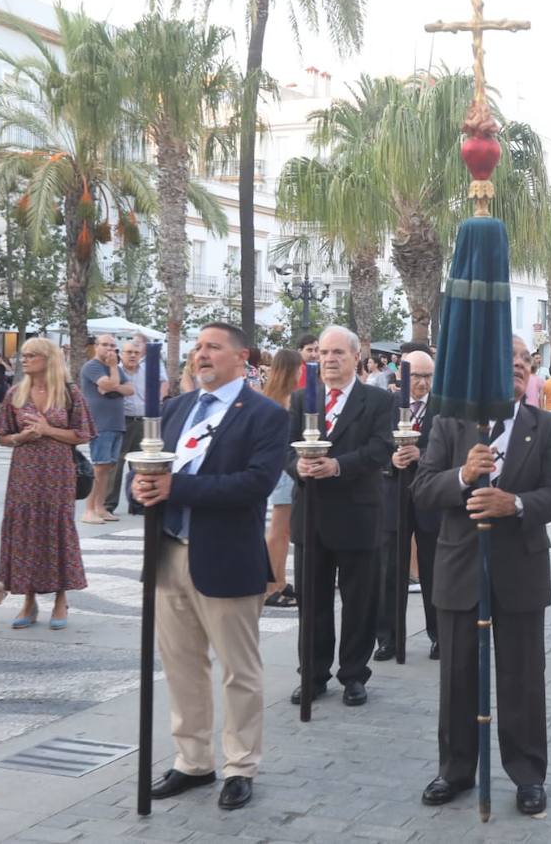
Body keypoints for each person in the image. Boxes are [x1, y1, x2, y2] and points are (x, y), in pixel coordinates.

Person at [412, 335, 551, 816]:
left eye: (524, 362)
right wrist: (462, 477)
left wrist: (516, 503)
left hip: (520, 569)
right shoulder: (449, 423)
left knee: (523, 677)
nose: (519, 368)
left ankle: (527, 774)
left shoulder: (544, 427)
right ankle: (455, 770)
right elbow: (423, 488)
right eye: (508, 361)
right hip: (460, 566)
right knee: (458, 673)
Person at [130, 322, 287, 811]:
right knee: (181, 666)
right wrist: (142, 492)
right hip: (169, 551)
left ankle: (241, 765)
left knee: (239, 671)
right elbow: (153, 477)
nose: (201, 355)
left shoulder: (264, 415)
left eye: (213, 347)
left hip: (226, 557)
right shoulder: (174, 410)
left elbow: (255, 484)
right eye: (198, 347)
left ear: (242, 358)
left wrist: (178, 489)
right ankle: (192, 760)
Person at [285, 326, 394, 707]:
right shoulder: (302, 399)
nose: (329, 360)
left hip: (358, 514)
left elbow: (381, 448)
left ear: (354, 358)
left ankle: (353, 674)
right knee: (311, 602)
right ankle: (313, 674)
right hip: (311, 516)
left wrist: (337, 466)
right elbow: (285, 448)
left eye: (338, 354)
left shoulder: (377, 401)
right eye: (324, 353)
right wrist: (298, 467)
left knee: (358, 601)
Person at [0, 338, 95, 630]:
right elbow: (2, 435)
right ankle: (28, 599)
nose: (23, 360)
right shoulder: (16, 392)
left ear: (48, 359)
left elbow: (83, 434)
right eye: (22, 355)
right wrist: (20, 438)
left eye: (31, 355)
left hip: (57, 473)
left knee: (56, 529)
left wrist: (47, 429)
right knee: (25, 530)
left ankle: (61, 599)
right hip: (23, 475)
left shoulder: (68, 393)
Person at [379, 349, 442, 660]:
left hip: (430, 498)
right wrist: (391, 459)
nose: (422, 382)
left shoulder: (442, 409)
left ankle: (439, 635)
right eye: (416, 376)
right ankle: (388, 637)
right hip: (394, 494)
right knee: (390, 568)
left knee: (433, 569)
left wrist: (422, 454)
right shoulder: (389, 405)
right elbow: (376, 446)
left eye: (428, 376)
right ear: (402, 377)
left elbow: (450, 448)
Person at [106, 340, 169, 515]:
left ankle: (138, 503)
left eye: (135, 352)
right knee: (116, 463)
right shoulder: (115, 372)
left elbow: (164, 382)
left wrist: (159, 401)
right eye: (128, 352)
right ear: (121, 354)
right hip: (122, 420)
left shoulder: (147, 371)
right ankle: (109, 504)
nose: (133, 355)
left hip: (143, 421)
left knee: (141, 464)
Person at [261, 349, 301, 607]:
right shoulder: (285, 399)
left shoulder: (274, 396)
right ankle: (268, 586)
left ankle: (279, 580)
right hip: (284, 469)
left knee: (282, 531)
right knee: (279, 530)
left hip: (281, 467)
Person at [79, 334, 132, 525]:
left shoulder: (116, 368)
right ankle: (89, 510)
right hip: (100, 423)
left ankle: (101, 508)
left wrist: (113, 385)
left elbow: (129, 389)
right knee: (99, 466)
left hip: (116, 422)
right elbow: (110, 384)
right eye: (105, 345)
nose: (109, 349)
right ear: (96, 346)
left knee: (108, 467)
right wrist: (112, 376)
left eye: (112, 346)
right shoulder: (92, 366)